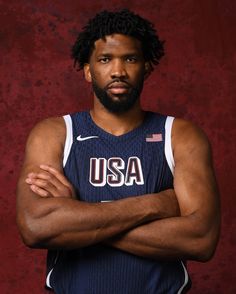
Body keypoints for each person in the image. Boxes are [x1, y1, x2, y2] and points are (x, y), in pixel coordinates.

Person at [16, 9, 220, 294]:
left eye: (130, 59)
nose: (118, 71)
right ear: (88, 70)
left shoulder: (180, 135)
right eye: (105, 59)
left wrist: (76, 217)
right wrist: (157, 205)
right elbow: (36, 226)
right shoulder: (55, 134)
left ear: (147, 66)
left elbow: (201, 239)